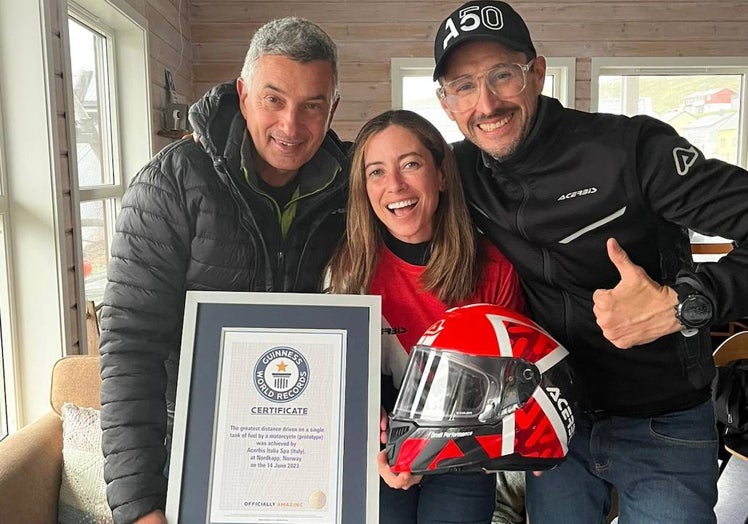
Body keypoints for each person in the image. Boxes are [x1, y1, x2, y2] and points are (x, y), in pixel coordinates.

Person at [432, 1, 748, 522]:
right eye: (464, 86)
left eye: (501, 76)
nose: (486, 103)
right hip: (555, 430)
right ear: (446, 103)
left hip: (662, 422)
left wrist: (686, 302)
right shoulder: (459, 171)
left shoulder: (631, 149)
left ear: (536, 73)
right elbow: (374, 182)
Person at [98, 17, 349, 524]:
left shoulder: (350, 189)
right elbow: (130, 345)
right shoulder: (170, 184)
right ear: (242, 93)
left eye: (312, 106)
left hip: (306, 453)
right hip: (191, 450)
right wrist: (140, 505)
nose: (291, 126)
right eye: (273, 99)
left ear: (332, 109)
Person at [326, 109, 525, 524]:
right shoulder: (345, 271)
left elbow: (507, 390)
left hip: (463, 460)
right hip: (372, 455)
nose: (394, 185)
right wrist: (378, 448)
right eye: (376, 172)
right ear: (363, 189)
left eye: (411, 165)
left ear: (442, 175)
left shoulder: (493, 269)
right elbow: (332, 388)